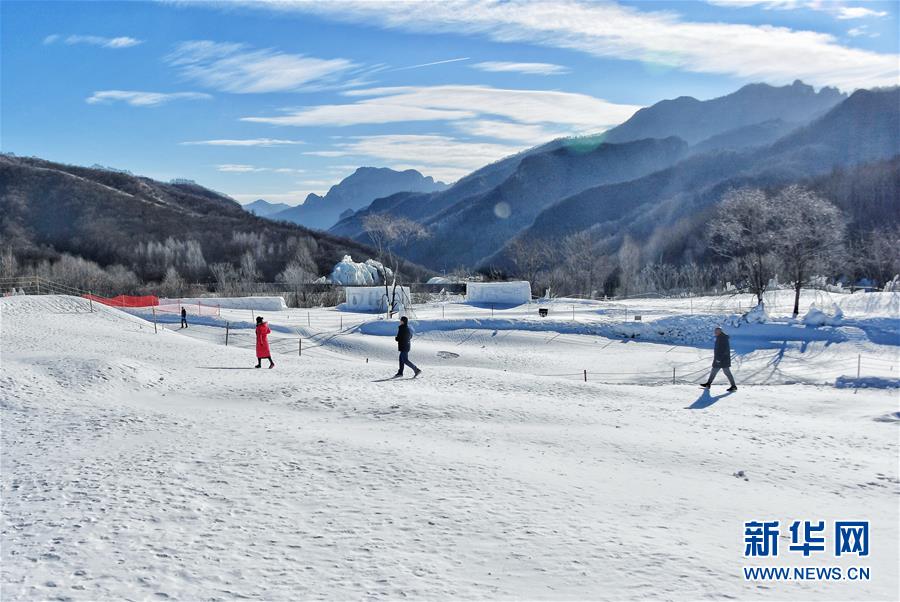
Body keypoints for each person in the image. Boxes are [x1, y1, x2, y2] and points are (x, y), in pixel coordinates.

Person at [700, 326, 737, 391]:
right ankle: (708, 384)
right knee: (713, 371)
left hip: (722, 360)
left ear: (720, 332)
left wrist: (719, 359)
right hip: (720, 359)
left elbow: (724, 350)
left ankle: (733, 386)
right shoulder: (720, 337)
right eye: (715, 331)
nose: (715, 332)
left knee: (727, 373)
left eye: (716, 331)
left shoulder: (723, 338)